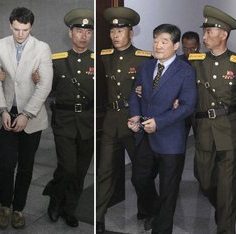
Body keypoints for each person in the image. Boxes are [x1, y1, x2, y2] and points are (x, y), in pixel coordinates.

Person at [0, 7, 53, 229]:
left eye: (25, 29)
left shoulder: (42, 48)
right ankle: (5, 206)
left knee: (26, 166)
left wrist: (27, 114)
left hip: (31, 118)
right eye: (16, 29)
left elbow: (45, 84)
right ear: (10, 25)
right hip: (6, 113)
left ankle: (18, 209)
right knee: (5, 164)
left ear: (31, 27)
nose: (20, 34)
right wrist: (2, 110)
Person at [128, 23, 197, 234]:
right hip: (145, 136)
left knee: (169, 189)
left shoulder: (185, 71)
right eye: (156, 40)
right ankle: (152, 210)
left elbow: (187, 105)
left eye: (164, 42)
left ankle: (162, 229)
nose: (158, 45)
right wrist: (134, 114)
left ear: (176, 45)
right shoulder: (147, 66)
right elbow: (135, 93)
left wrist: (160, 122)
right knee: (139, 178)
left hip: (170, 138)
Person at [189, 5, 236, 234]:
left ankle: (226, 228)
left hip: (230, 132)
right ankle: (222, 209)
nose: (204, 37)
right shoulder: (195, 62)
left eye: (209, 32)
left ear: (223, 34)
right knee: (204, 179)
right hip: (203, 130)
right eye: (204, 32)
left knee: (228, 187)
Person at [96, 7, 152, 233]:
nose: (115, 35)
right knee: (105, 171)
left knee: (141, 173)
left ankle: (148, 209)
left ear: (131, 32)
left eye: (120, 30)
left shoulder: (144, 59)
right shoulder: (104, 55)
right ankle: (99, 217)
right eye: (112, 30)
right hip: (111, 121)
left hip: (134, 122)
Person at [42, 8, 94, 228]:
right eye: (79, 30)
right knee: (68, 168)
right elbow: (46, 89)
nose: (84, 35)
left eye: (88, 31)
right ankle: (55, 198)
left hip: (88, 122)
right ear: (70, 33)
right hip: (64, 121)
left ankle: (69, 208)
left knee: (80, 171)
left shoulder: (96, 60)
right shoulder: (57, 61)